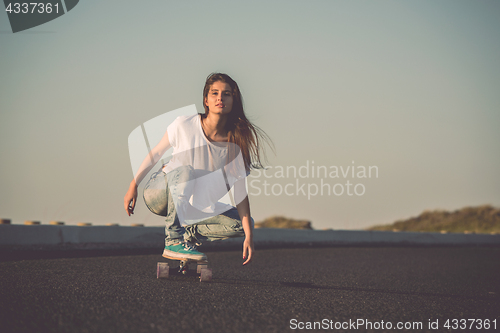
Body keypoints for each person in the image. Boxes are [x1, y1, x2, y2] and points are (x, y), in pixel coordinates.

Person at [124, 73, 272, 265]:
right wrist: (133, 184)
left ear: (233, 101)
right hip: (161, 193)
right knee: (186, 171)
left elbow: (240, 193)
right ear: (206, 100)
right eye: (214, 93)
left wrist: (249, 236)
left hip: (193, 208)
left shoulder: (235, 144)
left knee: (245, 224)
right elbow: (156, 152)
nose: (220, 98)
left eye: (226, 94)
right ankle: (173, 240)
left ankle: (189, 235)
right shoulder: (184, 124)